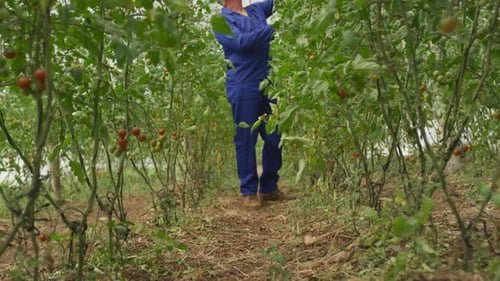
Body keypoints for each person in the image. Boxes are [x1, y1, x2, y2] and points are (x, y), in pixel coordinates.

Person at [214, 0, 294, 209]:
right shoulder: (220, 20)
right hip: (242, 84)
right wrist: (270, 31)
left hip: (267, 82)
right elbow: (241, 43)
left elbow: (279, 2)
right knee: (246, 138)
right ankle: (248, 191)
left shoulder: (257, 9)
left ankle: (269, 188)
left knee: (275, 133)